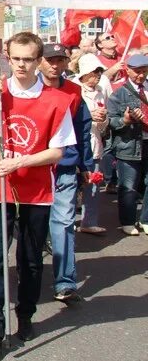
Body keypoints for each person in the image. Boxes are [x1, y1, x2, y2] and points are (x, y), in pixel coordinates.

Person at [0, 32, 75, 353]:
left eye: (28, 59)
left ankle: (25, 313)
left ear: (38, 60)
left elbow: (58, 152)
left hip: (36, 190)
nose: (22, 65)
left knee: (29, 259)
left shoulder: (57, 100)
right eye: (16, 59)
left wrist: (22, 161)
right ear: (7, 57)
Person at [39, 43, 93, 303]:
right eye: (50, 59)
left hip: (65, 168)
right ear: (40, 61)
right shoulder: (28, 87)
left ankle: (65, 282)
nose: (55, 65)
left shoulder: (74, 92)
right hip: (34, 167)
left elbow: (83, 130)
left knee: (62, 223)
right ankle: (30, 272)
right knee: (31, 225)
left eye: (60, 59)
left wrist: (86, 165)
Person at [105, 53, 148, 235]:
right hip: (128, 145)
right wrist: (126, 120)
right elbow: (110, 121)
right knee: (128, 186)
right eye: (137, 71)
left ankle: (145, 219)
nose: (141, 75)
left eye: (144, 71)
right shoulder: (119, 93)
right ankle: (128, 221)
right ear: (128, 70)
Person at [75, 54, 109, 235]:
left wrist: (103, 119)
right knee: (72, 185)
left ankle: (89, 221)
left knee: (94, 185)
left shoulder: (101, 91)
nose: (98, 75)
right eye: (95, 71)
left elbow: (105, 122)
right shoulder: (73, 89)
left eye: (100, 72)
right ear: (84, 72)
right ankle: (67, 221)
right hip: (77, 145)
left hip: (95, 144)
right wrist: (89, 116)